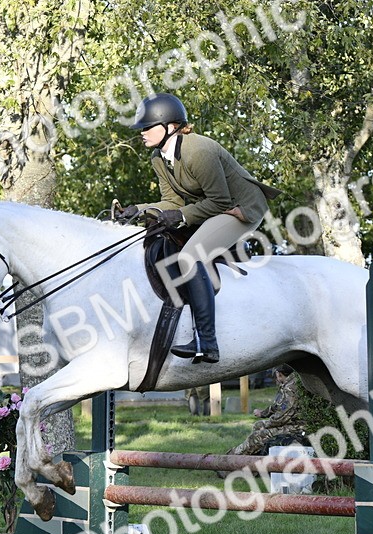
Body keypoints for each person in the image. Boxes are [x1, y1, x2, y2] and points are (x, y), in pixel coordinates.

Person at [117, 93, 281, 364]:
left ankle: (207, 342)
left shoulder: (199, 151)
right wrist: (139, 209)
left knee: (190, 256)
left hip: (241, 208)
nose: (142, 133)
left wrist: (180, 215)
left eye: (147, 127)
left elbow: (220, 202)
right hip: (217, 205)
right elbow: (171, 201)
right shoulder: (159, 158)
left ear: (170, 127)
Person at [228, 365, 307, 456]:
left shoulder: (290, 388)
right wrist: (263, 413)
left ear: (279, 374)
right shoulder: (289, 383)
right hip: (293, 423)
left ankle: (232, 459)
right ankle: (255, 457)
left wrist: (268, 424)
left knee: (257, 436)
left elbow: (282, 417)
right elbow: (278, 406)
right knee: (258, 425)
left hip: (297, 427)